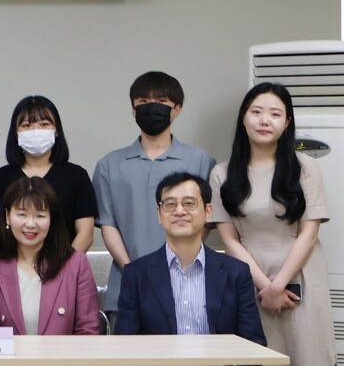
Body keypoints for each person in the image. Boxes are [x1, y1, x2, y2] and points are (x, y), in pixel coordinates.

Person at [210, 83, 334, 364]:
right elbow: (229, 240)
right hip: (249, 277)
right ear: (243, 117)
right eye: (256, 112)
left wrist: (277, 287)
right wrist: (265, 287)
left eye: (275, 114)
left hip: (301, 272)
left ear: (287, 122)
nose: (265, 120)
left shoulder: (305, 167)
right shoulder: (221, 173)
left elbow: (309, 234)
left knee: (308, 354)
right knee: (257, 355)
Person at [92, 71, 215, 317]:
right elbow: (108, 224)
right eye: (143, 102)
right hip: (126, 286)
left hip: (188, 285)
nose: (151, 107)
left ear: (177, 109)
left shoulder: (201, 161)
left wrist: (178, 265)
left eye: (160, 101)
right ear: (133, 109)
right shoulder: (109, 165)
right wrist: (133, 270)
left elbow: (205, 223)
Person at [116, 172, 265, 345]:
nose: (179, 211)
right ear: (159, 214)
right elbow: (126, 345)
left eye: (189, 203)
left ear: (208, 211)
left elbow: (253, 343)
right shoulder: (136, 274)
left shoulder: (236, 272)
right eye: (170, 204)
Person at [0, 176, 99, 335]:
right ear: (7, 216)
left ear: (51, 220)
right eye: (22, 214)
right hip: (10, 353)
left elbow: (88, 330)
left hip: (64, 352)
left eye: (40, 216)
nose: (30, 224)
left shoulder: (76, 264)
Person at [0, 96, 98, 252]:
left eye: (44, 124)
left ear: (57, 130)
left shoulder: (76, 176)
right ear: (16, 133)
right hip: (13, 264)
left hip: (65, 263)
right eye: (26, 125)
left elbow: (85, 234)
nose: (36, 132)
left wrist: (67, 265)